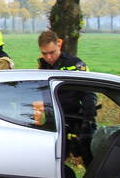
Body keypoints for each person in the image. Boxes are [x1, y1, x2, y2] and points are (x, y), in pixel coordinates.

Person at [38, 30, 96, 161]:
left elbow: (88, 93)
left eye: (51, 52)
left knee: (89, 160)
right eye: (44, 53)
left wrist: (89, 120)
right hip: (55, 122)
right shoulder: (42, 67)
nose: (48, 57)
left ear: (59, 45)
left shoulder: (74, 64)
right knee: (56, 162)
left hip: (77, 121)